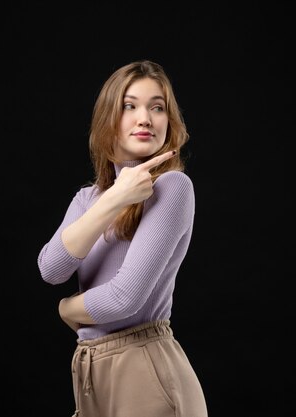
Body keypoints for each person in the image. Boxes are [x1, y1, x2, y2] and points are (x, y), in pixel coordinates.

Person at [37, 60, 208, 417]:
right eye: (129, 106)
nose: (144, 117)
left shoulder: (171, 188)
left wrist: (66, 308)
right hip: (92, 372)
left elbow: (123, 298)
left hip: (144, 368)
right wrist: (115, 198)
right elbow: (51, 268)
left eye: (157, 107)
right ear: (107, 121)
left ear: (169, 123)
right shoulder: (88, 199)